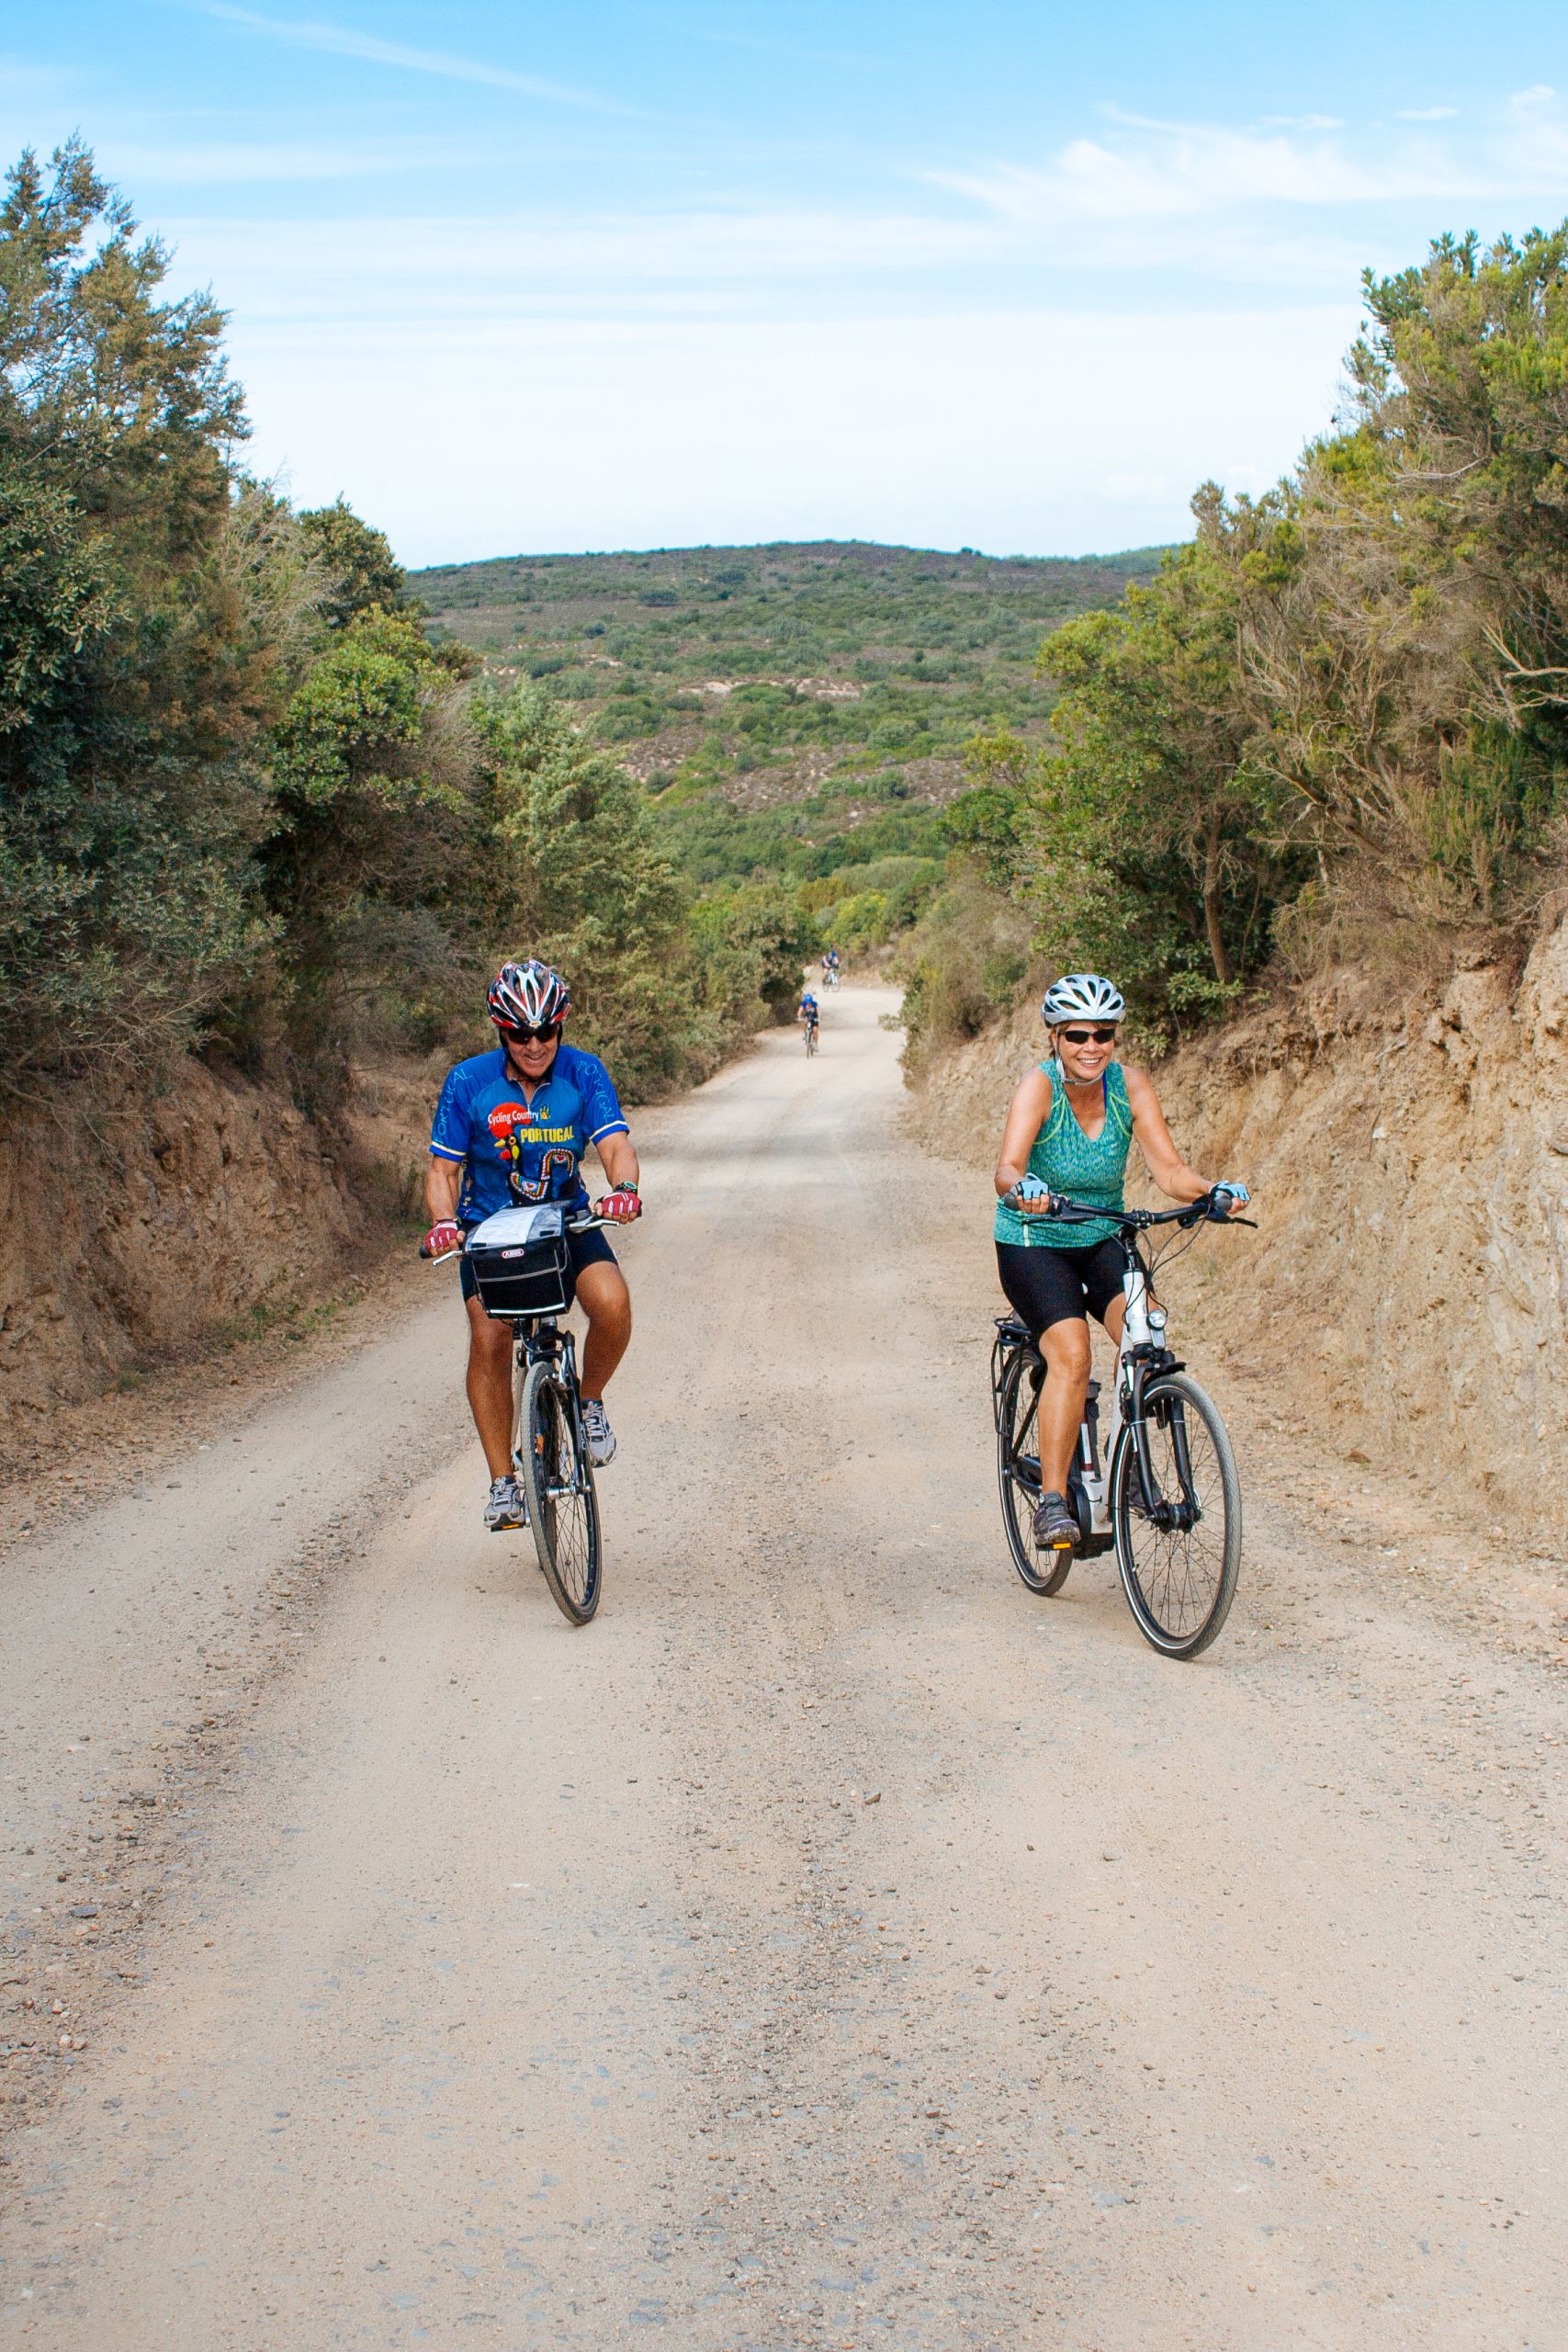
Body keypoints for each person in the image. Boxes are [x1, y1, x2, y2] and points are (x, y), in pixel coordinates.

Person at [993, 972, 1250, 1555]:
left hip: (1105, 1235)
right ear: (1055, 1037)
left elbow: (1170, 1171)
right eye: (1078, 1034)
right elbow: (1006, 1167)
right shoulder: (1039, 1088)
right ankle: (1055, 1503)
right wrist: (1024, 1187)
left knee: (1147, 1332)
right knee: (1073, 1353)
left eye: (1103, 1034)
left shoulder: (1129, 1086)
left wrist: (1211, 1191)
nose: (1092, 1046)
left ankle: (1128, 1465)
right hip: (1036, 1240)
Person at [423, 958, 643, 1532]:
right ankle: (503, 1483)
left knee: (613, 1304)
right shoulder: (467, 1082)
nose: (536, 1043)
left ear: (560, 1026)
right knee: (490, 1336)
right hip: (489, 1234)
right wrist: (445, 1222)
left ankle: (588, 1401)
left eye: (546, 1031)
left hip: (565, 1224)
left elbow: (615, 1143)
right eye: (522, 1033)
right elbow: (443, 1171)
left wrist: (624, 1189)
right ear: (502, 1030)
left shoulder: (584, 1073)